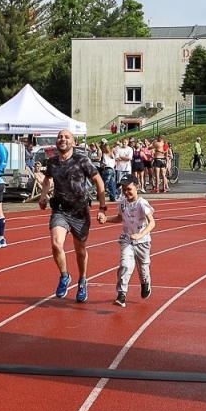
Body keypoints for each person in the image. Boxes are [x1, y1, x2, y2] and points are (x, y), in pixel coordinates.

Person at [36, 129, 109, 302]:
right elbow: (47, 179)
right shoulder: (52, 162)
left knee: (80, 251)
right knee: (56, 243)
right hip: (60, 209)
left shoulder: (82, 160)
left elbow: (98, 180)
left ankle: (82, 280)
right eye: (60, 137)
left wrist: (102, 206)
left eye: (66, 137)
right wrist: (43, 196)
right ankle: (64, 276)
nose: (62, 139)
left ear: (73, 142)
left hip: (79, 211)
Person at [108, 175, 155, 307]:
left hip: (143, 242)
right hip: (127, 240)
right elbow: (119, 218)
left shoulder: (142, 203)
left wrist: (140, 235)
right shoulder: (123, 203)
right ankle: (121, 295)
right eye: (123, 189)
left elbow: (152, 223)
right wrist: (106, 219)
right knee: (125, 266)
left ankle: (145, 283)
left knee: (143, 268)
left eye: (129, 189)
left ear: (137, 187)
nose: (126, 192)